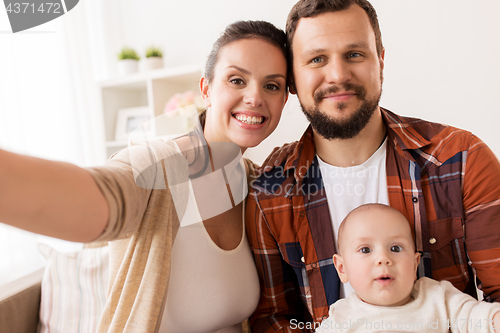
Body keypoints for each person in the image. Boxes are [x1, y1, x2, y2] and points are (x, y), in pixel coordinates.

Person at [0, 20, 289, 333]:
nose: (255, 97)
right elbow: (95, 198)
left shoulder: (257, 185)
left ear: (284, 100)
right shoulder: (154, 167)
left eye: (271, 85)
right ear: (206, 90)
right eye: (236, 80)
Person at [246, 0, 500, 332]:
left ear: (380, 61)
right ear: (292, 80)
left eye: (354, 54)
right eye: (317, 59)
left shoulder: (460, 159)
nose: (338, 75)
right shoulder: (271, 192)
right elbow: (275, 322)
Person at [314, 204, 500, 333]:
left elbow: (476, 317)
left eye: (395, 248)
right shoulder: (341, 317)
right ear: (342, 268)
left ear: (414, 263)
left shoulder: (437, 297)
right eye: (365, 250)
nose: (383, 259)